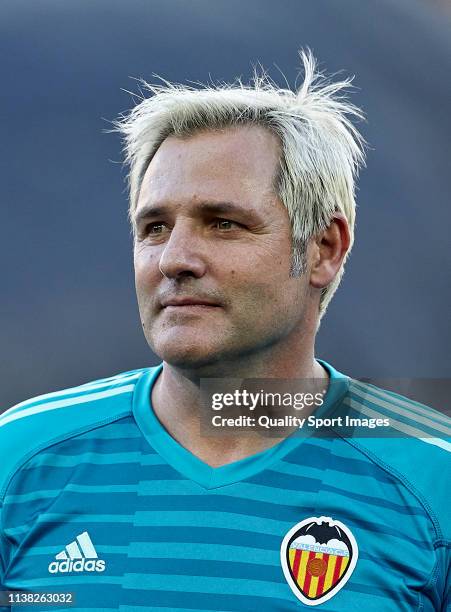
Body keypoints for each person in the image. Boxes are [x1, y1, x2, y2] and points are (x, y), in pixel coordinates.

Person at [0, 50, 449, 611]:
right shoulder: (18, 460)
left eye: (223, 224)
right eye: (154, 227)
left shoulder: (433, 479)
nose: (174, 258)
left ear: (323, 249)